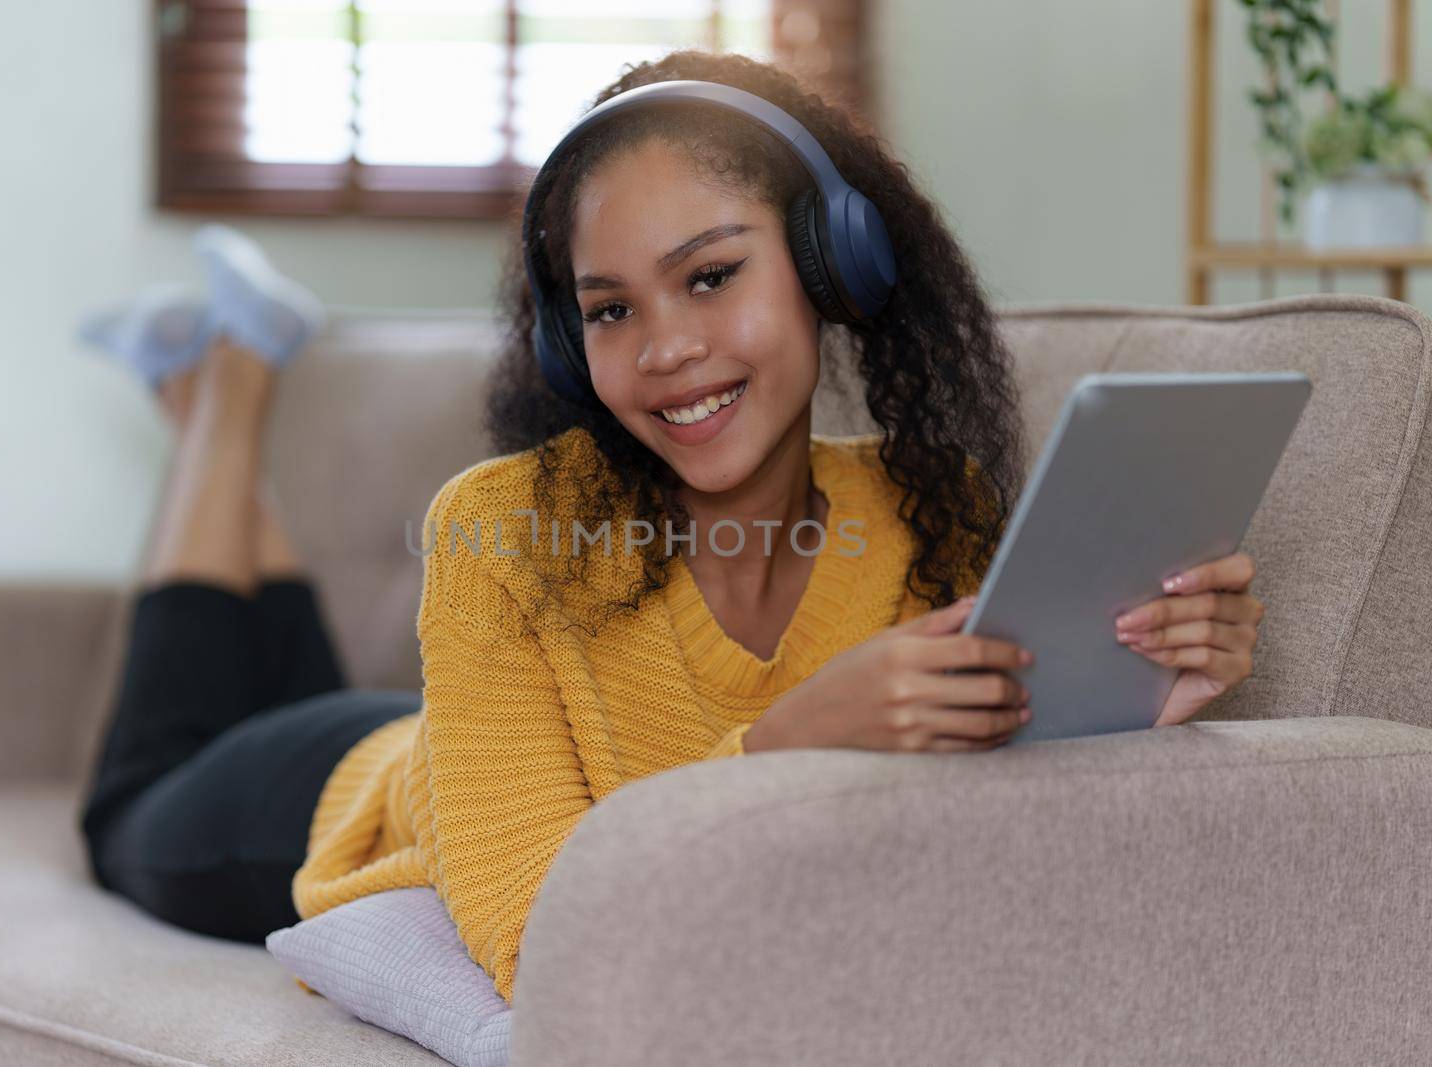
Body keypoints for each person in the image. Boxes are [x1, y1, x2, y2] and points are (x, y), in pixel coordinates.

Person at [78, 51, 1264, 1010]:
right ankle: (225, 399)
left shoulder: (931, 508)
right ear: (567, 344)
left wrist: (1122, 713)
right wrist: (785, 744)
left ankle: (210, 391)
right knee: (127, 802)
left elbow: (961, 845)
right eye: (609, 309)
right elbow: (549, 950)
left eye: (709, 277)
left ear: (829, 265)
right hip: (348, 794)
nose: (664, 348)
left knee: (280, 680)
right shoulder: (499, 528)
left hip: (476, 746)